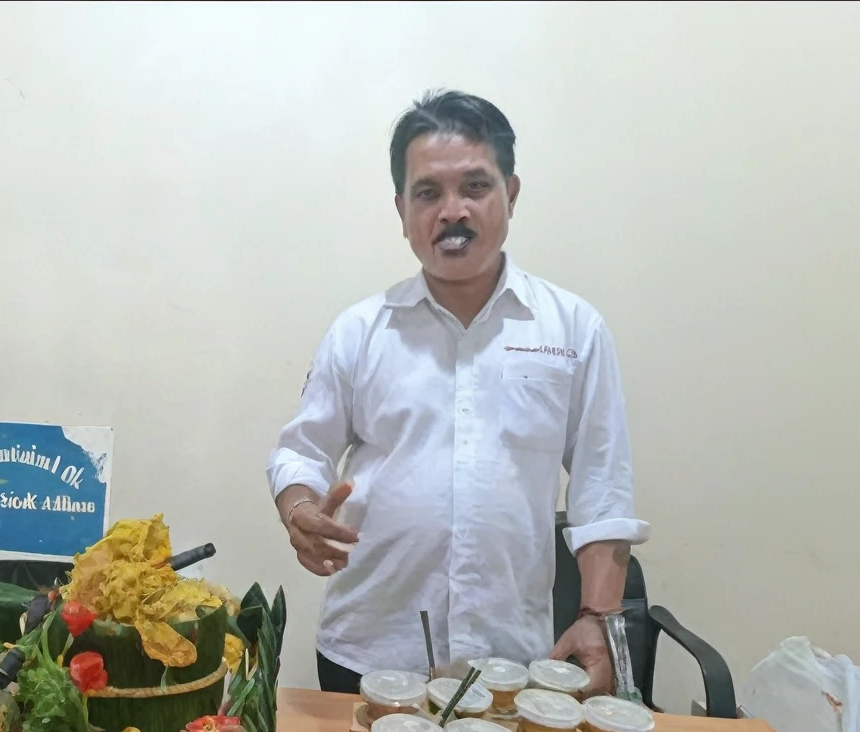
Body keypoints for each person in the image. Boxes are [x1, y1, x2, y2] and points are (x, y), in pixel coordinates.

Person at [266, 89, 649, 695]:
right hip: (366, 648)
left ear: (511, 194)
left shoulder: (573, 330)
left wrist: (596, 617)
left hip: (508, 660)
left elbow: (603, 492)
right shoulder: (361, 331)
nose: (452, 211)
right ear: (401, 210)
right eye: (428, 193)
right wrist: (299, 510)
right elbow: (301, 452)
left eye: (474, 186)